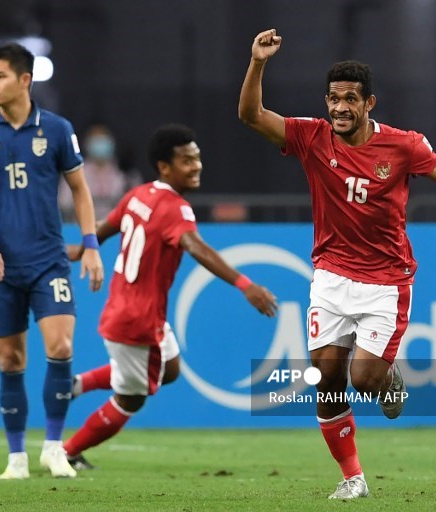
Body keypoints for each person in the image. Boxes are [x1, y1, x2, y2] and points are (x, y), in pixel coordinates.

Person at [238, 29, 436, 500]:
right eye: (333, 99)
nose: (340, 107)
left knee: (363, 380)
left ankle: (387, 379)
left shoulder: (403, 146)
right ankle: (353, 477)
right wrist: (258, 62)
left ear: (369, 103)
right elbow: (251, 115)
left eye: (350, 99)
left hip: (386, 281)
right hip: (331, 275)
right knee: (327, 380)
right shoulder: (312, 136)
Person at [61, 124, 278, 469]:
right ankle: (67, 452)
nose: (196, 166)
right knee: (131, 399)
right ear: (164, 167)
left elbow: (102, 230)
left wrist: (79, 250)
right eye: (186, 160)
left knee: (170, 369)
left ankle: (75, 384)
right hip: (136, 320)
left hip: (136, 311)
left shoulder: (138, 194)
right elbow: (195, 246)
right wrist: (244, 284)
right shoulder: (176, 208)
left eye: (197, 158)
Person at [0, 43, 104, 480]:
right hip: (0, 265)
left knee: (61, 347)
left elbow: (79, 189)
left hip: (48, 260)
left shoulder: (56, 129)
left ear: (25, 80)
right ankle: (16, 458)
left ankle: (54, 448)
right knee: (10, 361)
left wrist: (91, 244)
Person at [58, 124, 142, 221]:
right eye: (96, 139)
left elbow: (138, 205)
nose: (100, 144)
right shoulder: (74, 171)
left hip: (117, 227)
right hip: (81, 227)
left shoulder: (125, 173)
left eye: (103, 138)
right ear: (87, 144)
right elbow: (64, 204)